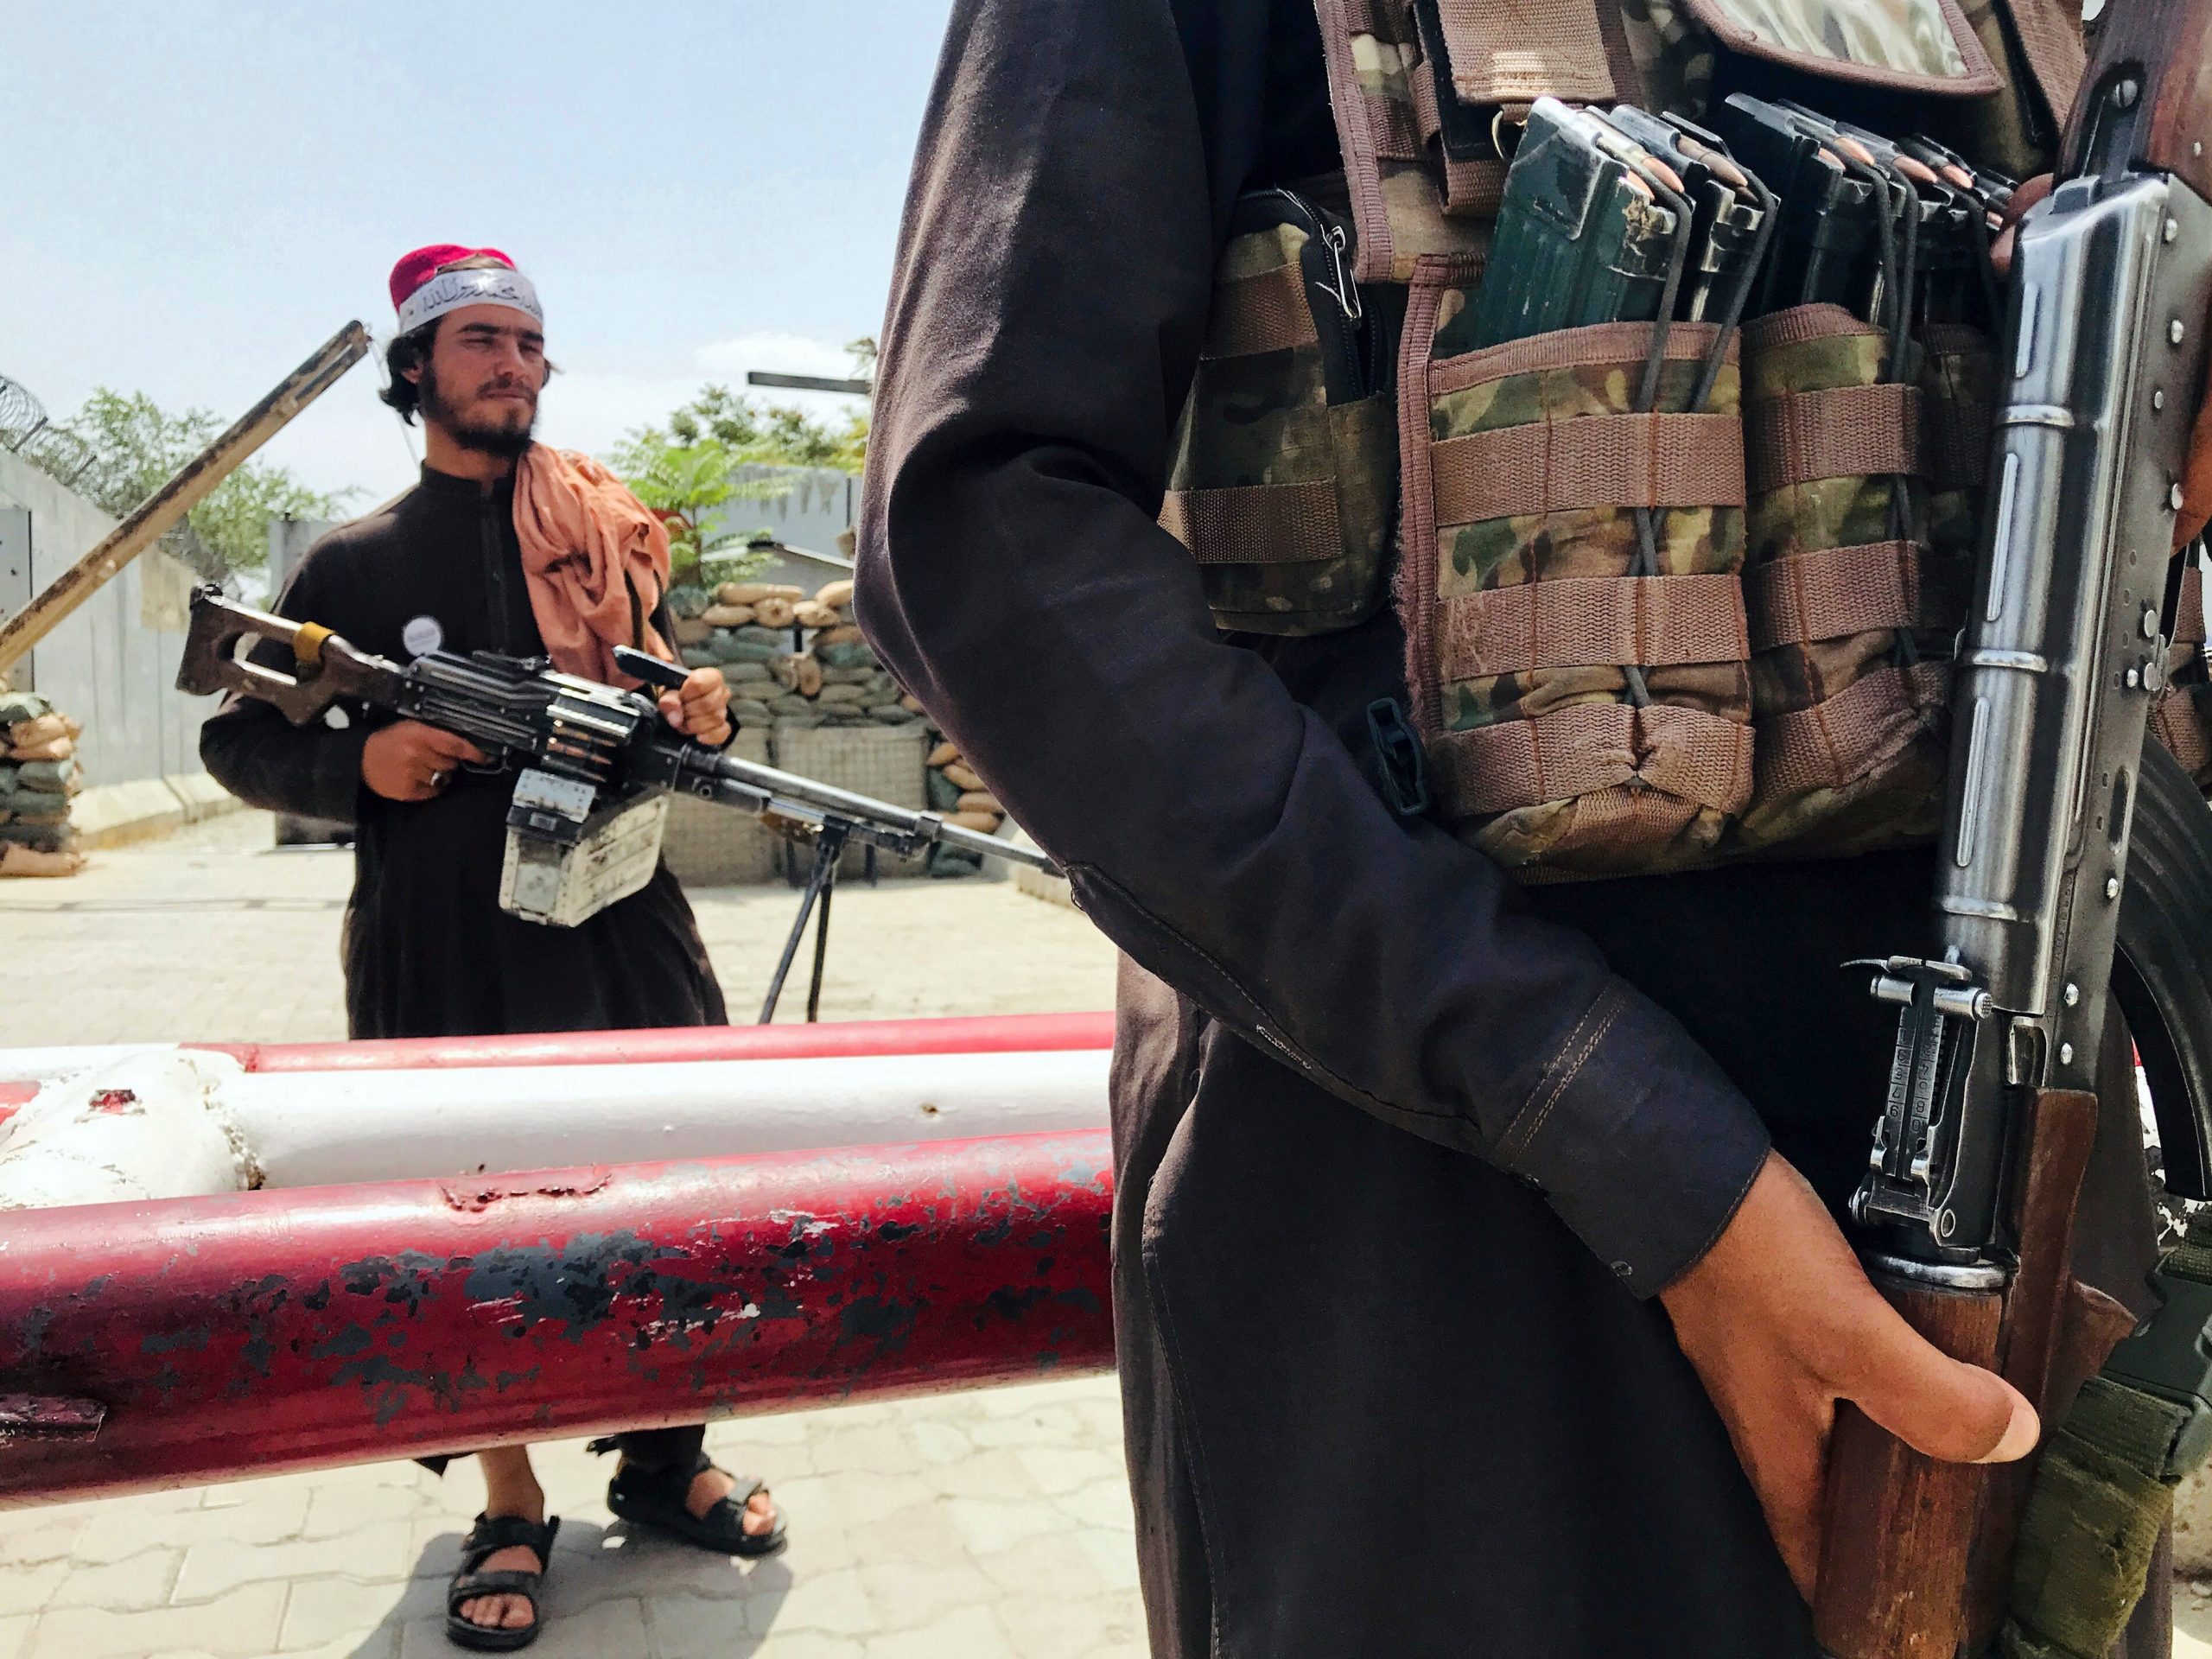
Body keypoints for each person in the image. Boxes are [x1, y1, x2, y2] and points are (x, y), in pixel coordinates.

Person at [857, 3, 2211, 1655]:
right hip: (1455, 1248)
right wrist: (1627, 1140)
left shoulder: (2088, 32)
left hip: (2025, 1193)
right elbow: (987, 542)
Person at [200, 245, 785, 1651]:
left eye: (529, 344)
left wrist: (698, 716)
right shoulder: (350, 563)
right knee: (472, 1209)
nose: (512, 366)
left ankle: (662, 1462)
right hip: (443, 941)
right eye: (479, 342)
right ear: (416, 369)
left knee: (666, 1181)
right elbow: (234, 739)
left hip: (621, 921)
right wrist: (365, 767)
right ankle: (510, 1497)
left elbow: (651, 711)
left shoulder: (597, 540)